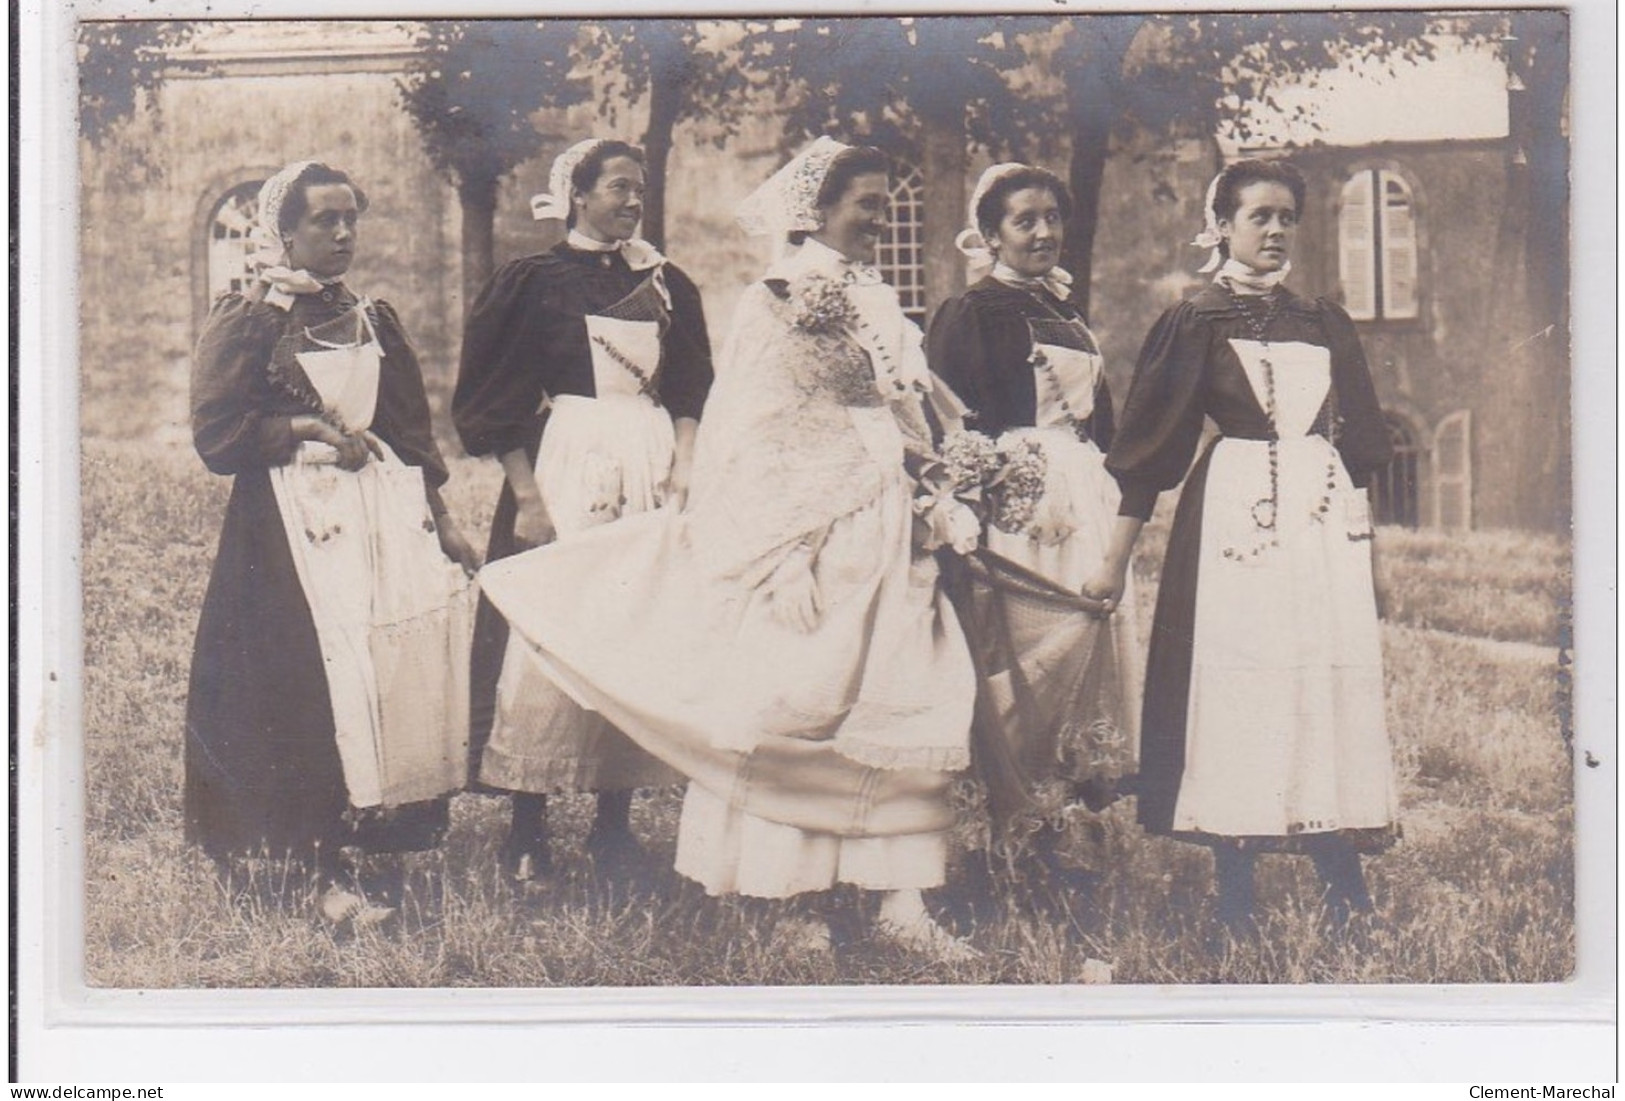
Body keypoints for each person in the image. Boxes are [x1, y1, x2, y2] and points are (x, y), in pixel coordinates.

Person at [477, 138, 978, 959]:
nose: (878, 216)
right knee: (794, 698)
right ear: (816, 211)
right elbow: (748, 426)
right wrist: (777, 549)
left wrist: (944, 479)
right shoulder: (776, 297)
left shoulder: (877, 299)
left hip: (886, 517)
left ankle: (899, 892)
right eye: (865, 203)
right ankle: (787, 896)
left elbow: (907, 405)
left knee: (896, 690)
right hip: (801, 528)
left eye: (886, 203)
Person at [1090, 158, 1398, 940]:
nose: (1274, 231)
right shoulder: (1194, 320)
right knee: (1241, 684)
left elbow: (1360, 445)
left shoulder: (1322, 319)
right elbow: (1148, 451)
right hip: (1234, 521)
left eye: (1286, 216)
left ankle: (1340, 873)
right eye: (1257, 216)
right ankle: (1235, 891)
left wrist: (1371, 560)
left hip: (1321, 522)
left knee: (1316, 680)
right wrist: (1110, 561)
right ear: (1220, 225)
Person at [185, 160, 479, 923]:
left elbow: (409, 431)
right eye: (325, 220)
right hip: (284, 527)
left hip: (373, 520)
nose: (343, 233)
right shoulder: (249, 318)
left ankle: (359, 839)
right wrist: (308, 427)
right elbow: (217, 435)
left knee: (373, 671)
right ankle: (298, 859)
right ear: (283, 232)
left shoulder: (371, 317)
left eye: (351, 218)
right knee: (299, 680)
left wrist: (441, 521)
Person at [452, 139, 714, 883]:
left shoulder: (667, 284)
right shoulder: (533, 281)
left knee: (634, 630)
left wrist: (684, 461)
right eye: (618, 188)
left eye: (640, 190)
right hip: (568, 460)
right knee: (551, 636)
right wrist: (529, 498)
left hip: (649, 459)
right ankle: (526, 827)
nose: (632, 202)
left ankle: (613, 824)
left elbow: (693, 385)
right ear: (577, 195)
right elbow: (489, 397)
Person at [926, 163, 1140, 841]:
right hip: (1016, 501)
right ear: (989, 234)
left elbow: (1098, 418)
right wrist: (974, 496)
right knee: (1022, 642)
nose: (1043, 232)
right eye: (1024, 220)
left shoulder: (1065, 312)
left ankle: (1070, 812)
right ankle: (1010, 813)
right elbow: (951, 422)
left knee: (1088, 634)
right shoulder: (970, 312)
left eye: (1051, 218)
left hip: (1086, 491)